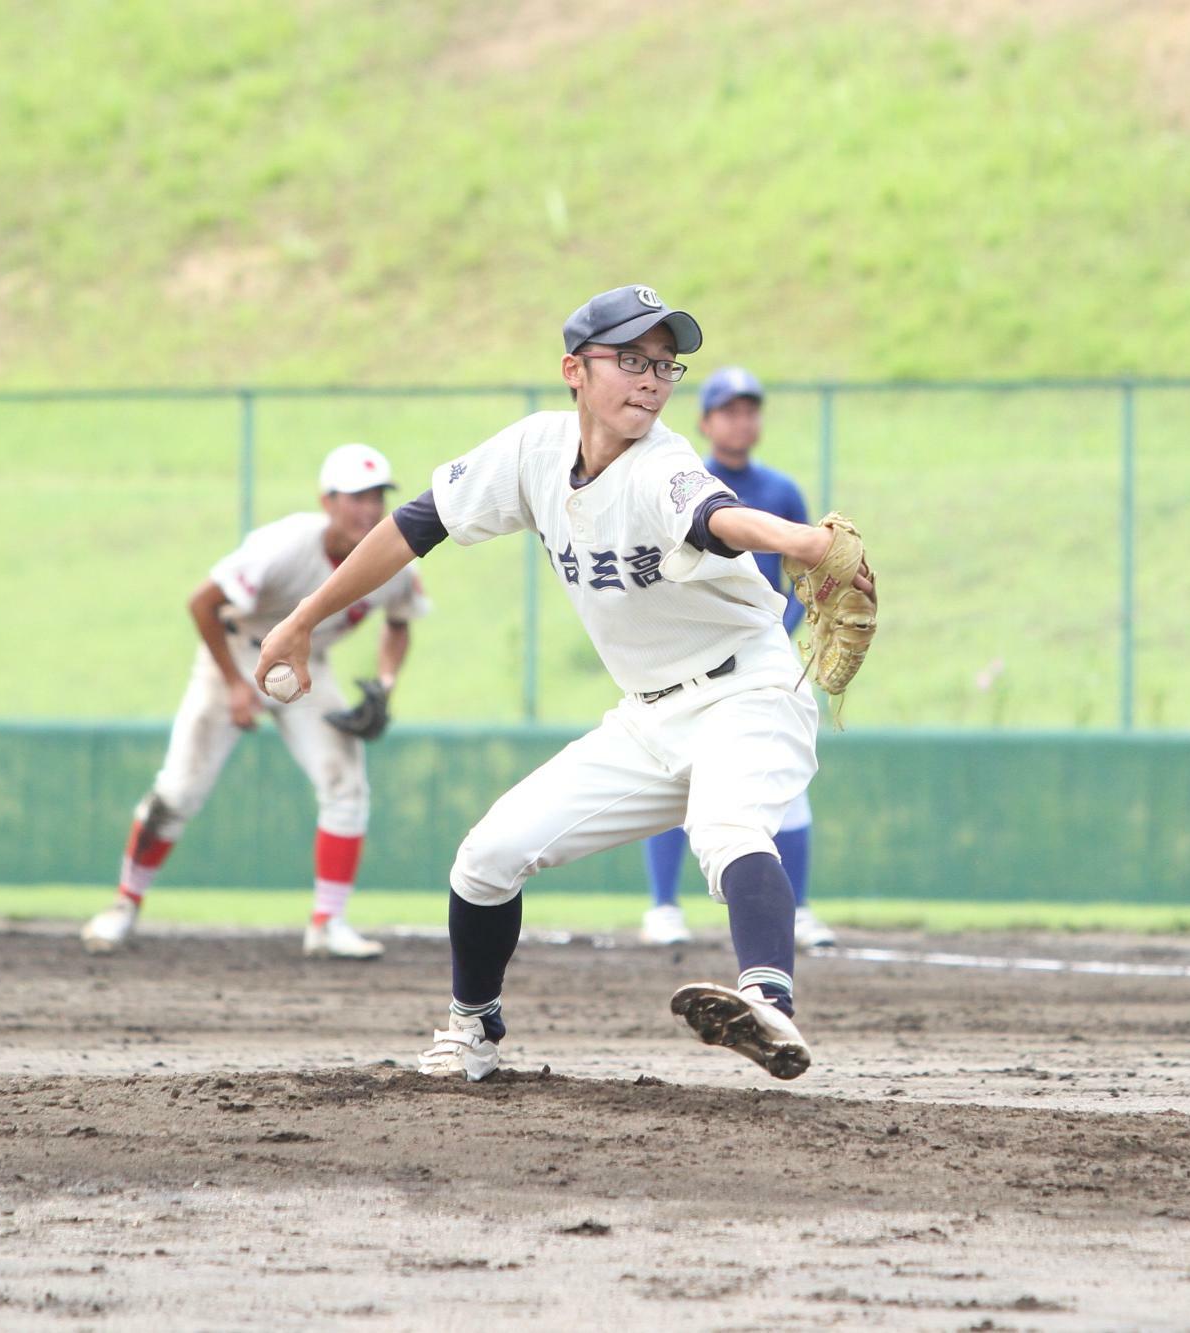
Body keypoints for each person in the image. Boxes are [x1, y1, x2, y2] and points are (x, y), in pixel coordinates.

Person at [253, 284, 874, 1082]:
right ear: (574, 370)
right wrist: (303, 619)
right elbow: (417, 524)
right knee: (486, 857)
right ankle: (471, 1029)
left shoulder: (664, 466)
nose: (651, 379)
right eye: (630, 360)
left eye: (665, 364)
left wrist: (801, 540)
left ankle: (768, 1006)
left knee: (726, 832)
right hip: (648, 718)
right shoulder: (533, 454)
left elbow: (715, 517)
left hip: (749, 692)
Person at [80, 444, 427, 960]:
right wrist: (236, 685)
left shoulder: (390, 558)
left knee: (346, 784)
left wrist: (385, 683)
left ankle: (327, 924)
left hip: (307, 668)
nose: (369, 509)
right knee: (179, 792)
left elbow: (401, 621)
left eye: (377, 496)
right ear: (327, 501)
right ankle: (123, 906)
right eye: (356, 496)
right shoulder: (286, 545)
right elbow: (202, 602)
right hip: (237, 656)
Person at [638, 366, 837, 950]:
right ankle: (663, 907)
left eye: (749, 408)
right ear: (704, 421)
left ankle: (797, 911)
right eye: (728, 409)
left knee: (788, 779)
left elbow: (801, 579)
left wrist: (782, 635)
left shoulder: (780, 491)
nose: (740, 419)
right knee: (681, 777)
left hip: (765, 659)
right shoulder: (682, 481)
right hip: (691, 657)